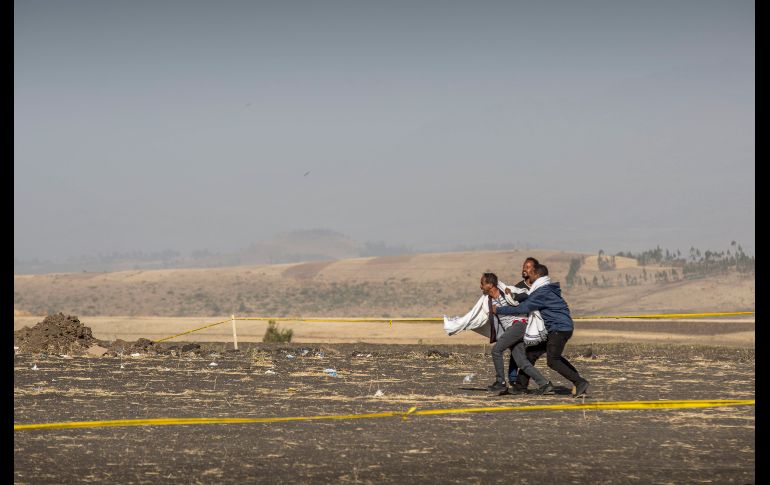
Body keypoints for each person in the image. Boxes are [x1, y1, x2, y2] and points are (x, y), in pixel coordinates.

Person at [493, 263, 590, 398]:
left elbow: (523, 308)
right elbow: (527, 297)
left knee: (553, 360)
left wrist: (499, 310)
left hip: (559, 328)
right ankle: (520, 386)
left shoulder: (541, 292)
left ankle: (579, 382)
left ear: (537, 275)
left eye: (531, 274)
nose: (529, 276)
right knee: (531, 353)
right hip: (556, 328)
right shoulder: (543, 289)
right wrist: (513, 295)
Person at [480, 272, 554, 395]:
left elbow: (525, 294)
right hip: (511, 330)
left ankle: (500, 382)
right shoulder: (488, 300)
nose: (481, 286)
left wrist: (513, 295)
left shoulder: (506, 293)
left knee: (496, 350)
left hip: (518, 325)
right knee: (521, 362)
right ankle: (545, 384)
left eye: (482, 284)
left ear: (490, 285)